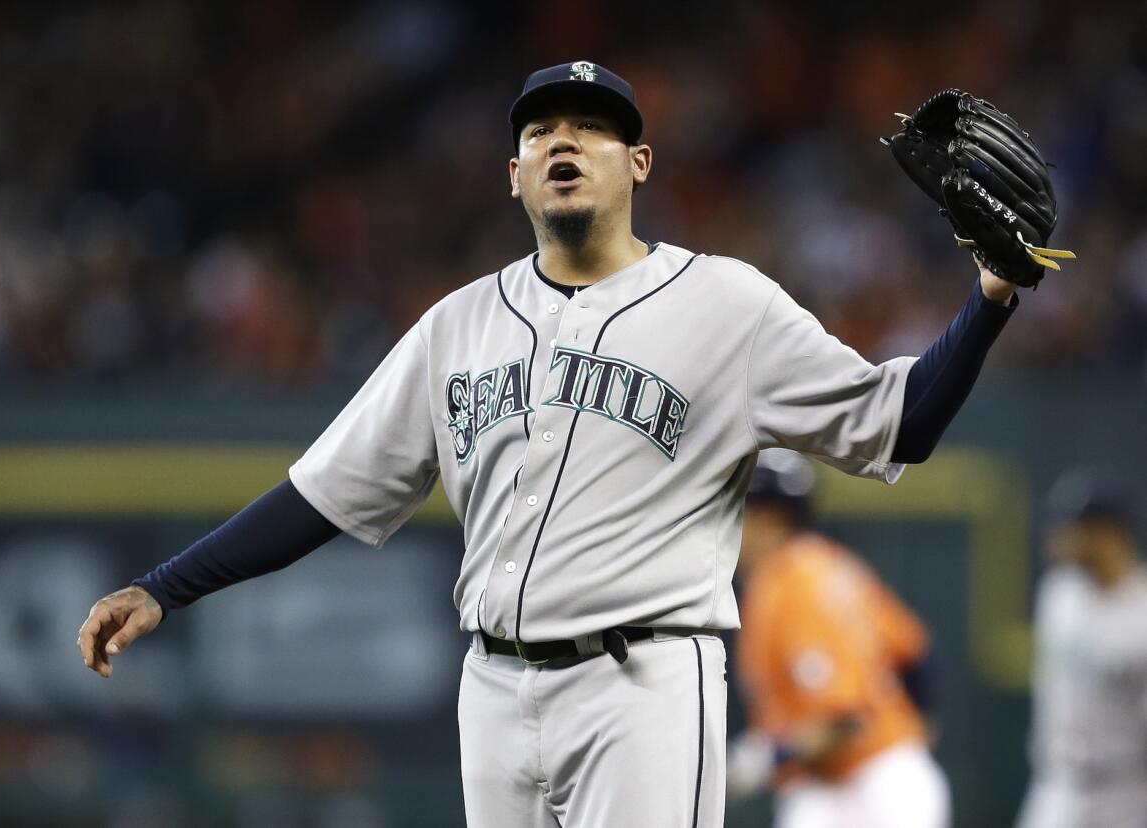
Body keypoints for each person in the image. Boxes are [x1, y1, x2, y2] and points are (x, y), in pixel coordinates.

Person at [78, 61, 1030, 826]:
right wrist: (165, 587)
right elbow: (321, 493)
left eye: (592, 127)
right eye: (540, 131)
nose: (563, 140)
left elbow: (897, 424)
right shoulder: (455, 327)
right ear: (516, 174)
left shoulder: (727, 304)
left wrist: (989, 297)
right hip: (491, 686)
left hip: (644, 682)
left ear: (639, 164)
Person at [727, 449, 949, 828]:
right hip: (877, 778)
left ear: (768, 517)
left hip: (870, 789)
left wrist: (767, 757)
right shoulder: (829, 563)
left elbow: (842, 722)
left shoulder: (789, 583)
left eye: (736, 509)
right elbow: (914, 650)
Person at [1015, 472, 1147, 828]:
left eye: (1074, 528)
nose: (1057, 537)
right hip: (1054, 786)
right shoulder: (1058, 592)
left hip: (1126, 792)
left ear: (1110, 534)